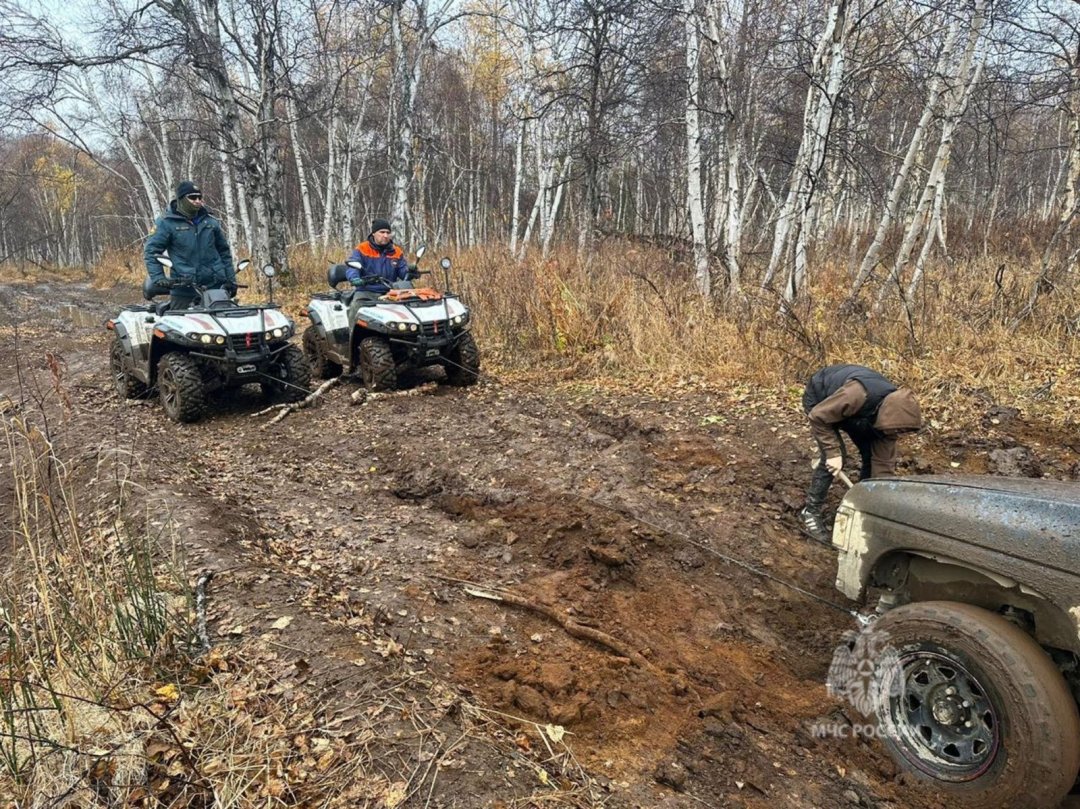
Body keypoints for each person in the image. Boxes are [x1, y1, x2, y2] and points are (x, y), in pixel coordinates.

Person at [799, 364, 923, 544]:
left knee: (870, 454)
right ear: (885, 417)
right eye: (893, 432)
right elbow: (818, 416)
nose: (893, 436)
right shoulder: (857, 394)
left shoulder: (891, 423)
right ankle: (810, 511)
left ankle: (861, 509)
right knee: (835, 456)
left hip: (858, 414)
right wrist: (833, 453)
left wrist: (878, 506)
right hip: (822, 399)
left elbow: (883, 469)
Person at [144, 180, 236, 310]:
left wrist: (231, 280)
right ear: (181, 199)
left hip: (216, 287)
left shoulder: (210, 221)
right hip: (184, 289)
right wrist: (159, 278)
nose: (197, 201)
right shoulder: (166, 222)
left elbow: (224, 252)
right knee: (180, 328)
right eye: (193, 197)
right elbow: (152, 252)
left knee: (225, 327)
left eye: (199, 197)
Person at [345, 218, 412, 291]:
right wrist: (354, 278)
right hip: (366, 291)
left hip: (391, 291)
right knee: (357, 302)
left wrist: (410, 272)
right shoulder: (362, 249)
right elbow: (353, 267)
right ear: (373, 233)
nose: (385, 235)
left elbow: (403, 273)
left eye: (388, 232)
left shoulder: (396, 251)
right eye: (382, 232)